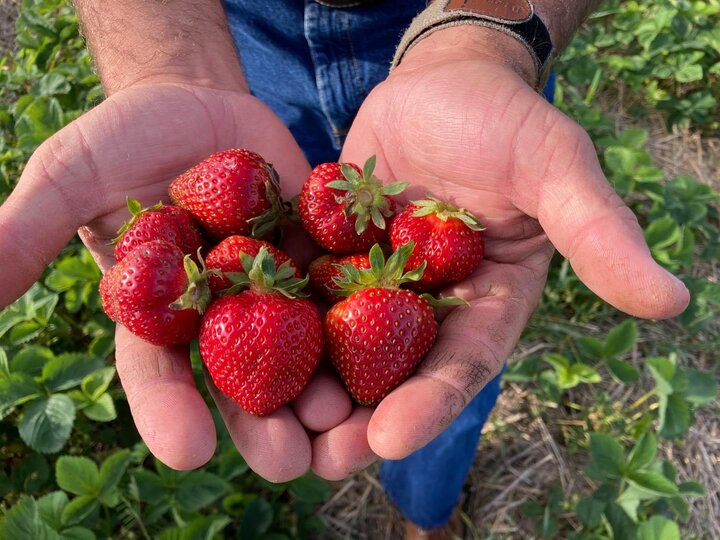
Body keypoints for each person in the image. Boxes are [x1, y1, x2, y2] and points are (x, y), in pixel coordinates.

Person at [0, 1, 689, 538]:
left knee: (443, 382)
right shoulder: (242, 240)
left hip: (460, 44)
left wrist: (484, 38)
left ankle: (429, 508)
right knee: (414, 352)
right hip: (237, 44)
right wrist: (170, 67)